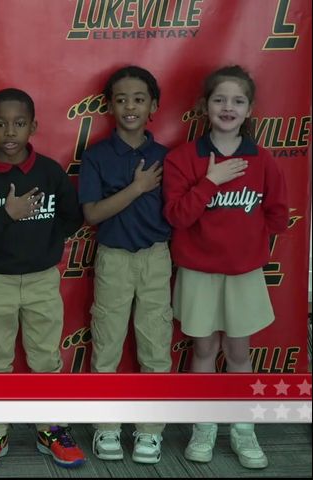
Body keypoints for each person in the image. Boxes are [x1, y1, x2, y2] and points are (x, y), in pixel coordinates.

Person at [0, 88, 85, 471]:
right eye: (0, 123)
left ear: (33, 127)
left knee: (46, 357)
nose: (10, 131)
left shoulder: (49, 172)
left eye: (19, 123)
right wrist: (6, 215)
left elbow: (72, 218)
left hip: (43, 278)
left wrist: (41, 244)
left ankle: (50, 429)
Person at [163, 65, 288, 470]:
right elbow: (178, 217)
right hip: (199, 272)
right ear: (205, 106)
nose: (227, 107)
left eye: (237, 101)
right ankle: (204, 424)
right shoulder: (185, 158)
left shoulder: (263, 160)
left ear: (250, 109)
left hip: (243, 273)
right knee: (203, 348)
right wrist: (211, 180)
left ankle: (242, 426)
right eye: (219, 99)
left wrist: (249, 248)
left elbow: (277, 214)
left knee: (238, 351)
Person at [78, 65, 172, 464]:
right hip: (114, 259)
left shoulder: (167, 156)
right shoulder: (97, 155)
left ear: (153, 105)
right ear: (110, 106)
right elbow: (93, 214)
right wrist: (136, 187)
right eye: (121, 99)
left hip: (156, 257)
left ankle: (150, 432)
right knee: (107, 344)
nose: (130, 106)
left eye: (138, 98)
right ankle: (107, 426)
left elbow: (180, 211)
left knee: (155, 345)